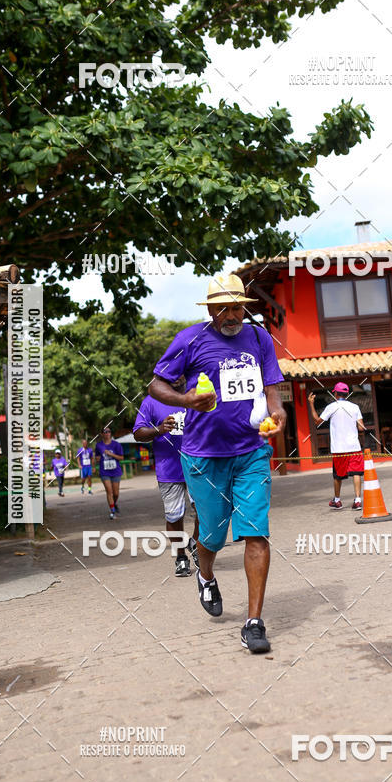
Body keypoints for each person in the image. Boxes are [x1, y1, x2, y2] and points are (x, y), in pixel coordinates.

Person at [150, 273, 286, 654]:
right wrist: (187, 399)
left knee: (256, 531)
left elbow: (272, 392)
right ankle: (205, 574)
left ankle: (254, 622)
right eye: (224, 308)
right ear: (210, 309)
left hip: (251, 453)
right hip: (203, 455)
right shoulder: (190, 339)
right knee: (210, 535)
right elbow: (156, 386)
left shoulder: (259, 338)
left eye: (238, 307)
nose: (232, 314)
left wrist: (278, 415)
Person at [133, 378, 199, 578]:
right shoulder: (152, 401)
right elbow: (138, 433)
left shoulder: (197, 394)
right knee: (174, 516)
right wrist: (159, 429)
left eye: (181, 372)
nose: (178, 377)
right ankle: (181, 557)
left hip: (199, 466)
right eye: (173, 373)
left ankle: (195, 544)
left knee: (205, 511)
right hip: (169, 469)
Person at [308, 382, 365, 510]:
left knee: (338, 475)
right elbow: (361, 428)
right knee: (356, 473)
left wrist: (311, 404)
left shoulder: (331, 407)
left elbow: (317, 421)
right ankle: (357, 501)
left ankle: (337, 500)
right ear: (346, 394)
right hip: (354, 447)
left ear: (335, 393)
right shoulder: (355, 407)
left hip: (339, 448)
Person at [95, 427, 123, 519]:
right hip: (104, 471)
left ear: (110, 433)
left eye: (108, 431)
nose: (107, 433)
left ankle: (114, 504)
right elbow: (97, 457)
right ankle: (112, 512)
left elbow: (121, 458)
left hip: (116, 471)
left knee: (116, 493)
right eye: (105, 432)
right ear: (102, 434)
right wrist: (97, 459)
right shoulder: (99, 445)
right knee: (109, 491)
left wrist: (111, 454)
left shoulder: (116, 445)